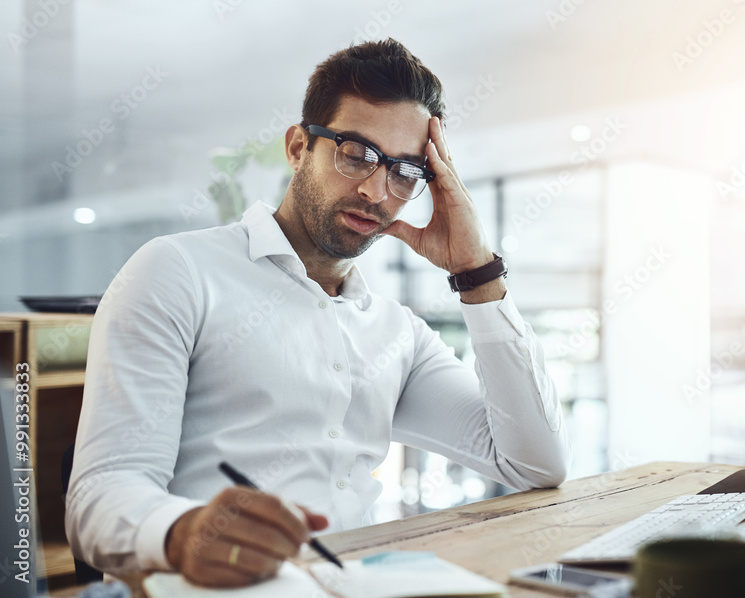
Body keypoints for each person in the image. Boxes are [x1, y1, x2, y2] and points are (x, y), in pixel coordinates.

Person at [65, 38, 571, 588]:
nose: (377, 191)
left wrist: (476, 272)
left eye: (405, 172)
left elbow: (534, 464)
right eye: (357, 153)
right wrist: (182, 530)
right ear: (298, 145)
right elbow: (99, 496)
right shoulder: (177, 271)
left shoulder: (398, 335)